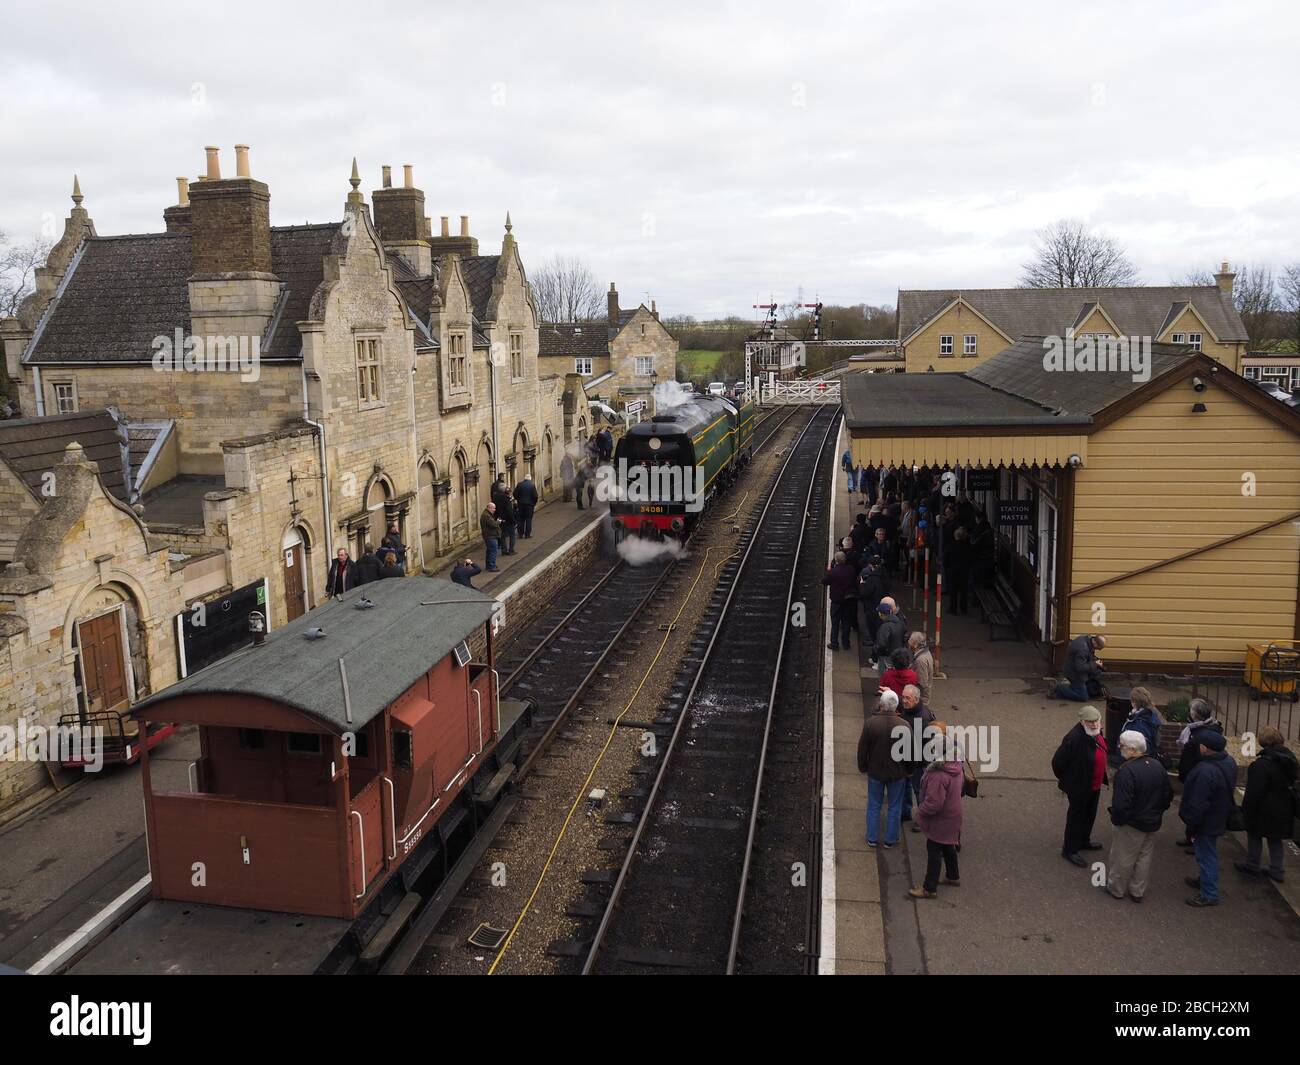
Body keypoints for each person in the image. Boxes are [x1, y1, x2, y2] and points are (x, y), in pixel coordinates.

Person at [1105, 731, 1173, 902]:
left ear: (1133, 750)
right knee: (1144, 857)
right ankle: (1137, 891)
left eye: (1122, 746)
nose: (1120, 748)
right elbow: (1167, 795)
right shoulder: (1157, 766)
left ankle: (1116, 888)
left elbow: (1121, 804)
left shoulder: (1126, 772)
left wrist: (1118, 820)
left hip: (1132, 823)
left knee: (1122, 858)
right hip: (1152, 821)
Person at [1180, 730, 1237, 907]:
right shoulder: (1228, 762)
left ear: (1205, 748)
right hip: (1218, 814)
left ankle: (1209, 893)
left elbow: (1198, 801)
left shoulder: (1205, 771)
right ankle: (1204, 881)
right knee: (1206, 853)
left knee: (1206, 855)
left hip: (1206, 820)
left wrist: (1191, 820)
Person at [909, 721, 964, 898]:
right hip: (954, 814)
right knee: (949, 845)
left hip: (941, 819)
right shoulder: (956, 766)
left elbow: (934, 803)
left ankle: (929, 888)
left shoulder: (938, 775)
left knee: (934, 851)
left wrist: (920, 811)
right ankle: (953, 876)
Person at [1236, 725, 1297, 883]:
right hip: (1283, 807)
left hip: (1263, 808)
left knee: (1255, 834)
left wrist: (1246, 809)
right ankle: (1277, 870)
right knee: (1275, 839)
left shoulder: (1261, 765)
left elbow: (1253, 792)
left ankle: (1252, 864)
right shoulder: (1290, 761)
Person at [1051, 705, 1109, 867]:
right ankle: (1069, 849)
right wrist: (1069, 781)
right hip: (1079, 787)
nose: (1094, 724)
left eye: (1096, 721)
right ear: (1082, 721)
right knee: (1076, 818)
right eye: (1090, 722)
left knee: (1090, 814)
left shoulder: (1096, 734)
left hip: (1094, 785)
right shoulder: (1073, 739)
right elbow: (1057, 763)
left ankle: (1084, 840)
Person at [857, 688, 908, 848]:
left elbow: (862, 749)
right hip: (897, 773)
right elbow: (910, 752)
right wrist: (909, 769)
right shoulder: (904, 725)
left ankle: (872, 837)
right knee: (894, 806)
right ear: (897, 706)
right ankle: (890, 839)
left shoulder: (871, 724)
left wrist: (863, 766)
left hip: (875, 771)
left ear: (881, 704)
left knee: (873, 804)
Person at [1175, 697, 1222, 847]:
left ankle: (1195, 840)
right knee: (1193, 806)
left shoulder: (1199, 733)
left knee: (1196, 806)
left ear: (1195, 715)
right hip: (1195, 773)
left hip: (1198, 775)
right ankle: (1190, 837)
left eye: (1191, 711)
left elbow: (1192, 755)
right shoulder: (1202, 728)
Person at [898, 683, 935, 826]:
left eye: (907, 698)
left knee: (919, 791)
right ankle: (906, 812)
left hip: (918, 762)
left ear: (916, 699)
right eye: (903, 697)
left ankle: (922, 818)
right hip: (907, 759)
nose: (904, 701)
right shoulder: (912, 709)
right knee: (906, 787)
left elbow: (923, 745)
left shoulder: (922, 719)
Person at [822, 551, 858, 652]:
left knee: (835, 623)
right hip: (848, 601)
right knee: (846, 623)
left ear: (836, 560)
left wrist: (829, 570)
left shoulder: (833, 572)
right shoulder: (851, 569)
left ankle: (834, 643)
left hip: (837, 602)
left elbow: (824, 581)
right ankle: (846, 643)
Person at [1052, 633, 1105, 701]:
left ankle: (1075, 687)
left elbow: (1087, 657)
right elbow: (1080, 667)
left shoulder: (1087, 640)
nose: (1098, 650)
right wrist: (1094, 664)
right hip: (1074, 673)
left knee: (1097, 672)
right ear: (1095, 643)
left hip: (1074, 668)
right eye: (1098, 648)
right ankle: (1058, 689)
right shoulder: (1083, 649)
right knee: (1083, 696)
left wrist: (1095, 662)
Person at [1119, 687, 1163, 767]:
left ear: (1135, 702)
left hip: (1134, 761)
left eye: (1132, 700)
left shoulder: (1139, 723)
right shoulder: (1150, 715)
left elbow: (1141, 746)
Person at [873, 598, 907, 673]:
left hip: (887, 658)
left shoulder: (885, 627)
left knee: (885, 680)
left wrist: (875, 649)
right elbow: (905, 635)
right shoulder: (900, 622)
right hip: (899, 655)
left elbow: (881, 644)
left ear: (880, 614)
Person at [944, 525, 971, 615]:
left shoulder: (951, 546)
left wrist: (947, 567)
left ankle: (953, 608)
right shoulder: (967, 546)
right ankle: (963, 609)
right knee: (963, 591)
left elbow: (946, 558)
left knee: (953, 591)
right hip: (964, 571)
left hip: (953, 570)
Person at [909, 631, 935, 706]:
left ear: (916, 644)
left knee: (918, 716)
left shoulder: (920, 660)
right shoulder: (925, 653)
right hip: (921, 696)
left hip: (920, 698)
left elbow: (922, 682)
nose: (908, 642)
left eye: (910, 640)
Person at [480, 502, 502, 571]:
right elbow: (493, 525)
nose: (494, 510)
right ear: (489, 508)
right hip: (490, 536)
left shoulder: (487, 514)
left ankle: (489, 565)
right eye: (493, 508)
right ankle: (492, 566)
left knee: (490, 551)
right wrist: (498, 522)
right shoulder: (486, 516)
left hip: (489, 535)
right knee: (493, 551)